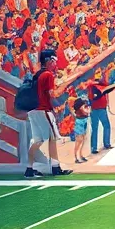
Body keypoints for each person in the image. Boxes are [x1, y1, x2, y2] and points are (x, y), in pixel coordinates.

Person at [25, 49, 72, 179]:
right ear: (49, 61)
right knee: (52, 139)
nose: (55, 64)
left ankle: (29, 168)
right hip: (43, 109)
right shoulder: (48, 75)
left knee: (38, 140)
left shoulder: (37, 74)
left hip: (33, 110)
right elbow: (52, 94)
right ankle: (55, 167)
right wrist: (61, 96)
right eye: (54, 61)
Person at [87, 70, 115, 154]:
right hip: (99, 109)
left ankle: (94, 147)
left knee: (95, 128)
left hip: (96, 109)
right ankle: (105, 144)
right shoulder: (94, 86)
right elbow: (100, 93)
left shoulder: (93, 85)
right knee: (105, 126)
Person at [72, 98, 90, 164]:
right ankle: (76, 157)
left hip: (83, 121)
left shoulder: (81, 109)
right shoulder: (81, 109)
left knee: (83, 140)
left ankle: (80, 155)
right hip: (80, 123)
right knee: (79, 141)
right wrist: (86, 109)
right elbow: (87, 112)